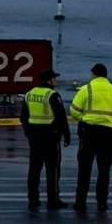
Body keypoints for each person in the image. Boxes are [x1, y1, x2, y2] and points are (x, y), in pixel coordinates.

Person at [69, 62, 112, 212]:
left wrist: (83, 119)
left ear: (94, 74)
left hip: (89, 133)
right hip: (108, 135)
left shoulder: (86, 89)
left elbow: (73, 110)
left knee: (84, 169)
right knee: (104, 170)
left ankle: (80, 202)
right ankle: (102, 203)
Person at [20, 68, 70, 209]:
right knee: (52, 170)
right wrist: (65, 134)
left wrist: (28, 133)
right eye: (54, 78)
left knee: (34, 169)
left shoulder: (29, 94)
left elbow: (23, 117)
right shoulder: (52, 95)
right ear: (49, 80)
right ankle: (53, 200)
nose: (56, 80)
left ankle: (33, 199)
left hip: (34, 138)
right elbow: (61, 117)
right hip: (50, 138)